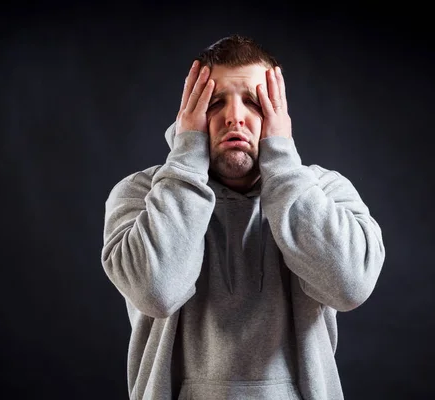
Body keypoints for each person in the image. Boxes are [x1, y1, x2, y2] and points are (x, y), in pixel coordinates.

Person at [100, 34, 385, 400]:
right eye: (215, 103)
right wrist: (187, 158)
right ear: (190, 116)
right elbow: (157, 292)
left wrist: (281, 161)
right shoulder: (140, 194)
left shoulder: (326, 191)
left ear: (278, 115)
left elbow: (349, 287)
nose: (235, 116)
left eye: (254, 102)